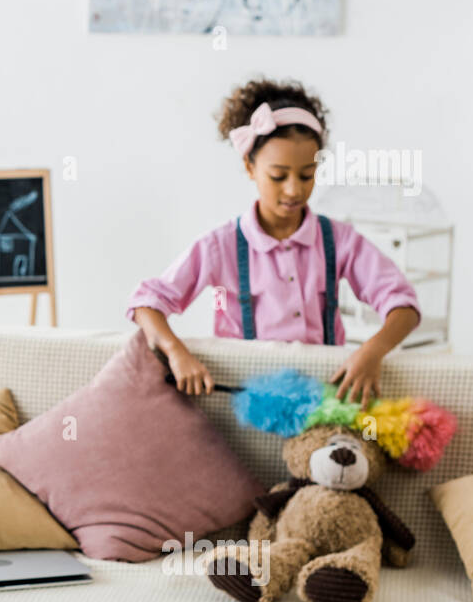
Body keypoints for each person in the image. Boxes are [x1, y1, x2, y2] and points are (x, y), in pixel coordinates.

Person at [126, 77, 421, 409]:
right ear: (249, 167)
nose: (294, 189)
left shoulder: (338, 241)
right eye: (279, 176)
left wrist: (371, 351)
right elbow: (148, 303)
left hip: (321, 398)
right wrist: (176, 351)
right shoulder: (219, 246)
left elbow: (404, 306)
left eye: (307, 175)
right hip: (243, 400)